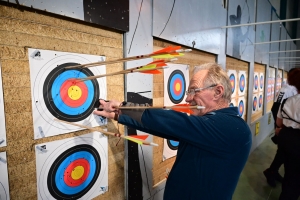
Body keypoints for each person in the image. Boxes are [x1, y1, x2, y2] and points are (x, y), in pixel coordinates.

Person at [94, 63, 252, 200]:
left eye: (193, 91)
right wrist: (118, 115)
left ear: (218, 92)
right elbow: (167, 128)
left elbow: (176, 123)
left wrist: (124, 107)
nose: (188, 99)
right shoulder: (207, 125)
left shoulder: (233, 127)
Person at [263, 68, 298, 187]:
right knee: (283, 153)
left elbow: (275, 108)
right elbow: (277, 108)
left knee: (282, 153)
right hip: (287, 129)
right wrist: (281, 128)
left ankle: (272, 172)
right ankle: (272, 172)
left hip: (284, 127)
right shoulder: (291, 91)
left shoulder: (285, 89)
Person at [275, 68, 300, 200]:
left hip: (287, 139)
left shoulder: (288, 101)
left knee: (290, 176)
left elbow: (279, 123)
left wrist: (282, 130)